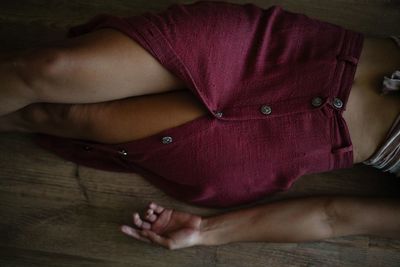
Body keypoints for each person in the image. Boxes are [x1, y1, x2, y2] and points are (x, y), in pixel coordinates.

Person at [0, 1, 399, 249]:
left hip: (276, 146)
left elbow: (336, 217)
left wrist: (207, 233)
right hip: (293, 54)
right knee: (45, 68)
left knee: (57, 117)